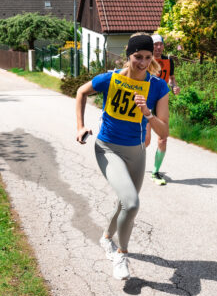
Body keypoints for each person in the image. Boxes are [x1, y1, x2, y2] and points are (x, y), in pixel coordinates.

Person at [75, 34, 170, 280]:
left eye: (148, 57)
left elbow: (164, 131)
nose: (143, 63)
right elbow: (81, 92)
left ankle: (107, 237)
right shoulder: (110, 79)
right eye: (138, 57)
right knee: (132, 203)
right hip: (108, 148)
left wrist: (147, 113)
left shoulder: (158, 86)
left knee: (124, 203)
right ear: (128, 55)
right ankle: (121, 254)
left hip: (136, 152)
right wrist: (80, 126)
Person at [145, 34, 180, 185]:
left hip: (161, 100)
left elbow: (171, 79)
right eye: (155, 44)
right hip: (146, 101)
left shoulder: (168, 61)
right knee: (146, 140)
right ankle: (132, 162)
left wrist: (174, 86)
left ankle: (155, 172)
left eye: (160, 44)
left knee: (163, 137)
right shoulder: (145, 59)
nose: (158, 47)